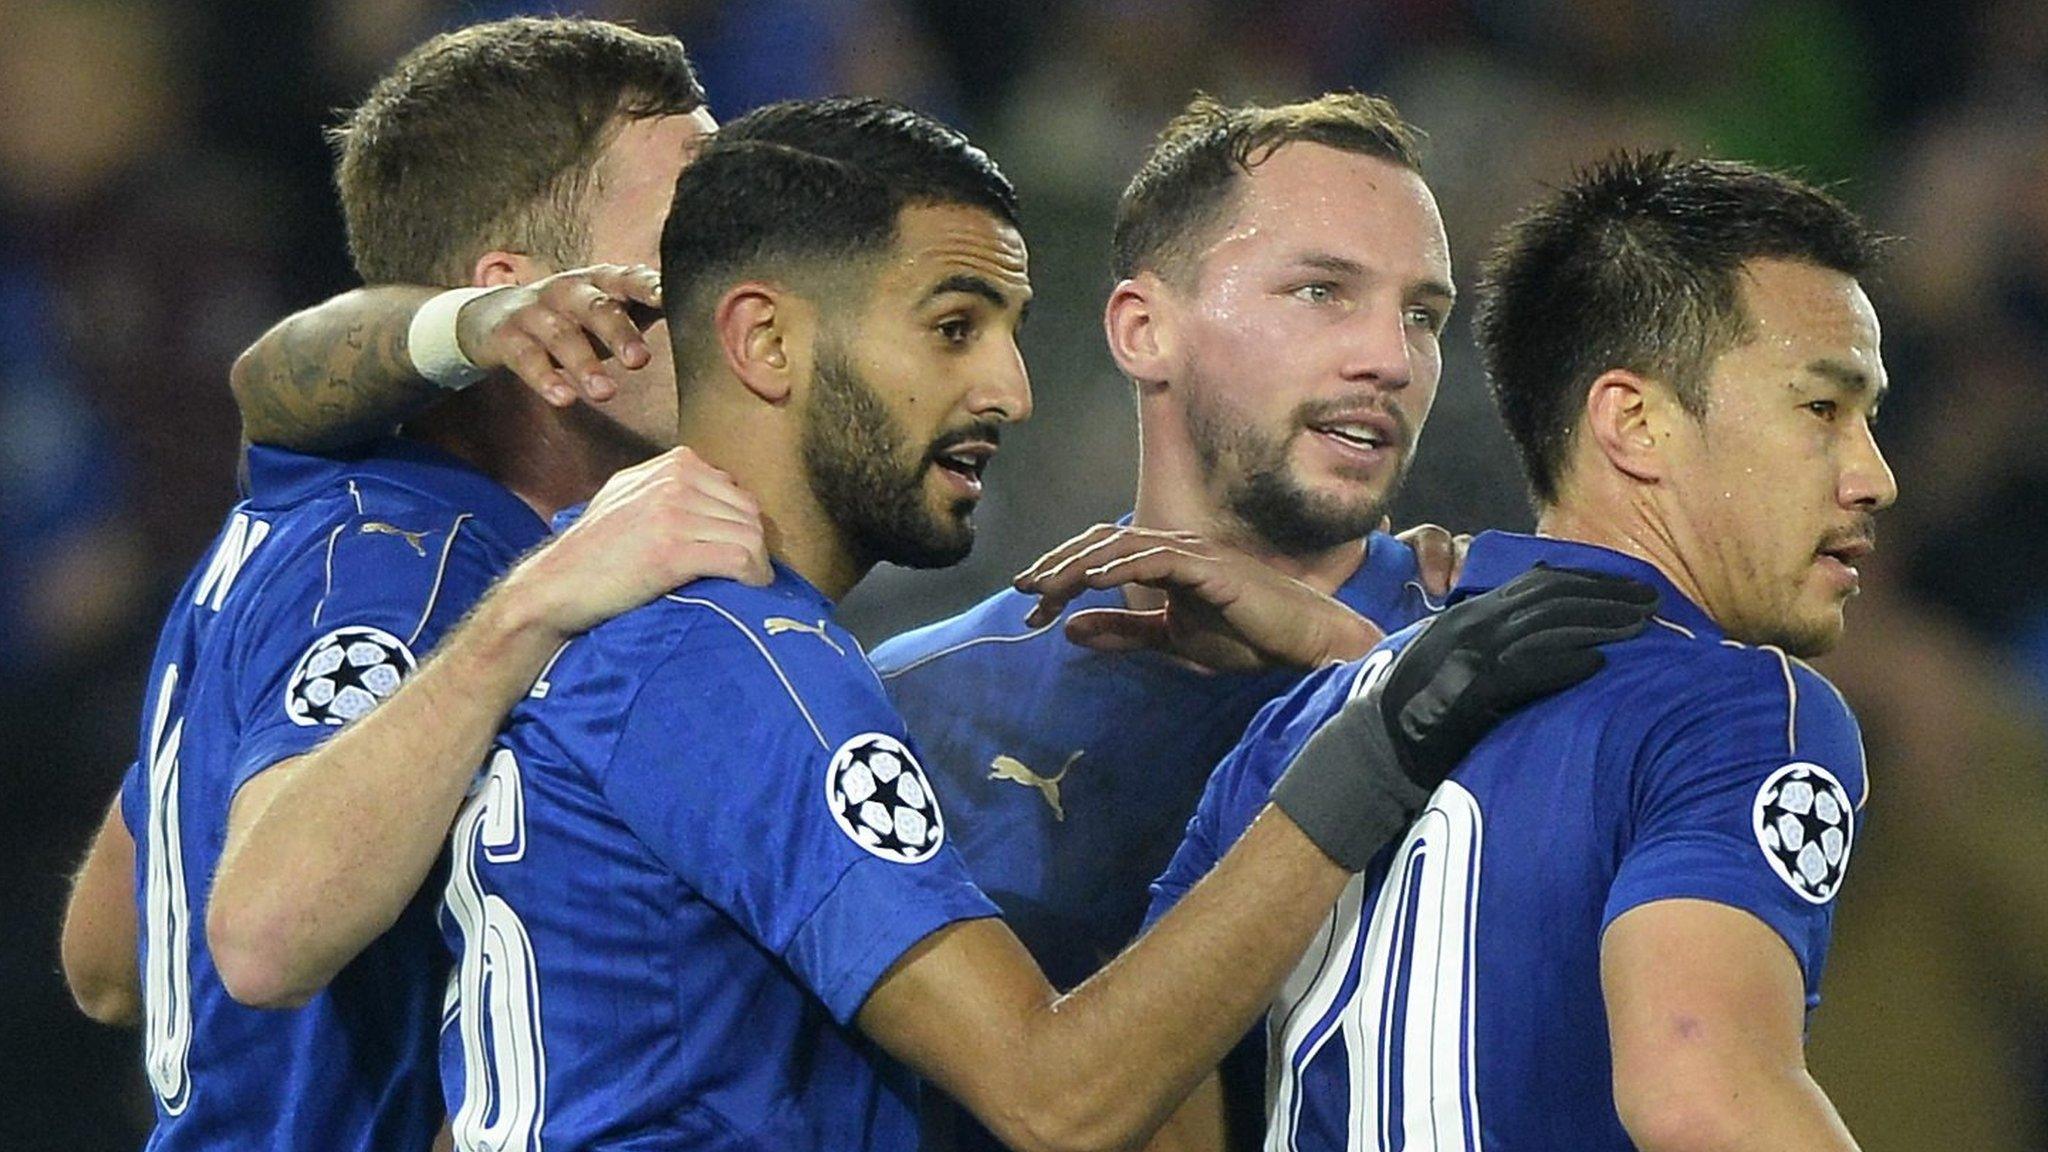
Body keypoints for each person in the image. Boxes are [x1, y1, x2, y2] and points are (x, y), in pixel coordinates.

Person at [437, 95, 1654, 1151]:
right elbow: (1055, 1094)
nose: (1008, 389)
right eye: (953, 327)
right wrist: (1385, 721)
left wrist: (1371, 667)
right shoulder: (797, 677)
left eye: (1425, 316)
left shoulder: (600, 605)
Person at [57, 19, 768, 1150]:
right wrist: (522, 620)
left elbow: (108, 957)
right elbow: (263, 936)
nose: (745, 288)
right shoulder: (418, 569)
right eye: (694, 240)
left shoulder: (324, 515)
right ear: (531, 302)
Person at [1148, 151, 1892, 1149]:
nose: (1871, 475)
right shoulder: (1737, 709)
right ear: (1634, 423)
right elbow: (1704, 1100)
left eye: (1868, 418)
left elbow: (1148, 1099)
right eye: (1821, 409)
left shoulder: (1295, 729)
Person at [866, 92, 1454, 1146]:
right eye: (1321, 291)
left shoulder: (1501, 657)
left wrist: (1362, 665)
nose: (1392, 359)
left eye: (1421, 315)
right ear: (1145, 330)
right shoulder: (917, 707)